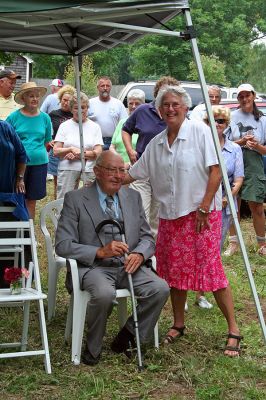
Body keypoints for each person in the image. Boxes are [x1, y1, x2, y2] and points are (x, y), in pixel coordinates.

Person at [125, 85, 242, 357]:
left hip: (202, 216)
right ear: (158, 109)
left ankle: (234, 329)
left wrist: (203, 206)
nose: (170, 109)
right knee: (173, 273)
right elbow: (135, 172)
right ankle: (179, 324)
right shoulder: (156, 142)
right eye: (165, 104)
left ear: (186, 107)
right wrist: (109, 179)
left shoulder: (201, 132)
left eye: (175, 104)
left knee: (211, 271)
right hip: (170, 217)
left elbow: (216, 171)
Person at [55, 151, 169, 365]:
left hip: (128, 265)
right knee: (104, 294)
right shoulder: (75, 199)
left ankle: (127, 336)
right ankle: (93, 347)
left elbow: (147, 237)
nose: (118, 176)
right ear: (97, 171)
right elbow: (62, 245)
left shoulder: (132, 197)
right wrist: (98, 252)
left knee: (160, 288)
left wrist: (139, 253)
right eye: (112, 170)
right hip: (94, 268)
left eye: (122, 170)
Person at [122, 76, 179, 238]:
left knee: (156, 215)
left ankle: (152, 252)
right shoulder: (143, 110)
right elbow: (126, 129)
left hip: (164, 171)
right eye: (163, 91)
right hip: (141, 168)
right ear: (156, 93)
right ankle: (136, 247)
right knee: (141, 211)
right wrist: (129, 149)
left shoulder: (175, 114)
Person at [225, 83, 266, 256]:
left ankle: (262, 245)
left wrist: (256, 146)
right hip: (234, 159)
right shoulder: (231, 116)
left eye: (247, 95)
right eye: (240, 96)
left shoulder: (263, 119)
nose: (244, 99)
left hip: (254, 161)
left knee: (256, 205)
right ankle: (233, 243)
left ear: (253, 95)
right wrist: (241, 143)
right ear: (238, 99)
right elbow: (223, 143)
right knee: (233, 204)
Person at [6, 82, 52, 219]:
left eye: (37, 96)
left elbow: (46, 141)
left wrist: (35, 153)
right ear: (23, 99)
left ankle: (29, 234)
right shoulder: (13, 117)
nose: (35, 99)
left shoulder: (45, 118)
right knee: (16, 198)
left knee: (32, 200)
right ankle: (15, 232)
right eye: (31, 96)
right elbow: (6, 141)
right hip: (18, 165)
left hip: (39, 164)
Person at [204, 106, 244, 250]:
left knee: (217, 245)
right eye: (211, 120)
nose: (216, 124)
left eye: (220, 121)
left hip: (224, 203)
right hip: (202, 202)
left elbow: (238, 179)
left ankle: (213, 272)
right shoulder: (201, 146)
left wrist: (227, 199)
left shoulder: (235, 149)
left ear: (226, 124)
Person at [53, 92, 103, 198]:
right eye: (76, 108)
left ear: (87, 108)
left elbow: (98, 152)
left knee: (89, 200)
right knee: (65, 199)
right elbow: (56, 151)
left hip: (88, 169)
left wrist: (81, 154)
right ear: (71, 109)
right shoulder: (64, 126)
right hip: (67, 168)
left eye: (83, 107)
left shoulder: (95, 127)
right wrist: (70, 150)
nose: (80, 111)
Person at [0, 119, 28, 287]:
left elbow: (22, 154)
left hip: (7, 194)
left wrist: (20, 178)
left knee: (9, 240)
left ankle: (8, 281)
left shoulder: (5, 127)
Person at [48, 84, 76, 199]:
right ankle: (57, 208)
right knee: (58, 184)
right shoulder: (53, 114)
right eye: (64, 100)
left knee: (73, 184)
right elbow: (46, 130)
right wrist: (49, 140)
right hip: (57, 152)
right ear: (60, 100)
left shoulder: (76, 115)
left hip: (72, 152)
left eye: (68, 101)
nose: (66, 103)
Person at [88, 76, 128, 150]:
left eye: (108, 86)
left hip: (113, 143)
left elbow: (124, 124)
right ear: (97, 88)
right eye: (102, 86)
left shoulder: (118, 104)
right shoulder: (90, 103)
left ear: (111, 88)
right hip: (95, 142)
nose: (105, 88)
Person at [110, 88, 145, 167]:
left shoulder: (146, 125)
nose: (133, 106)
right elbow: (112, 146)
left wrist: (128, 165)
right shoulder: (122, 122)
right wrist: (119, 163)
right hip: (118, 167)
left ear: (143, 105)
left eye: (137, 104)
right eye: (130, 103)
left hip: (136, 168)